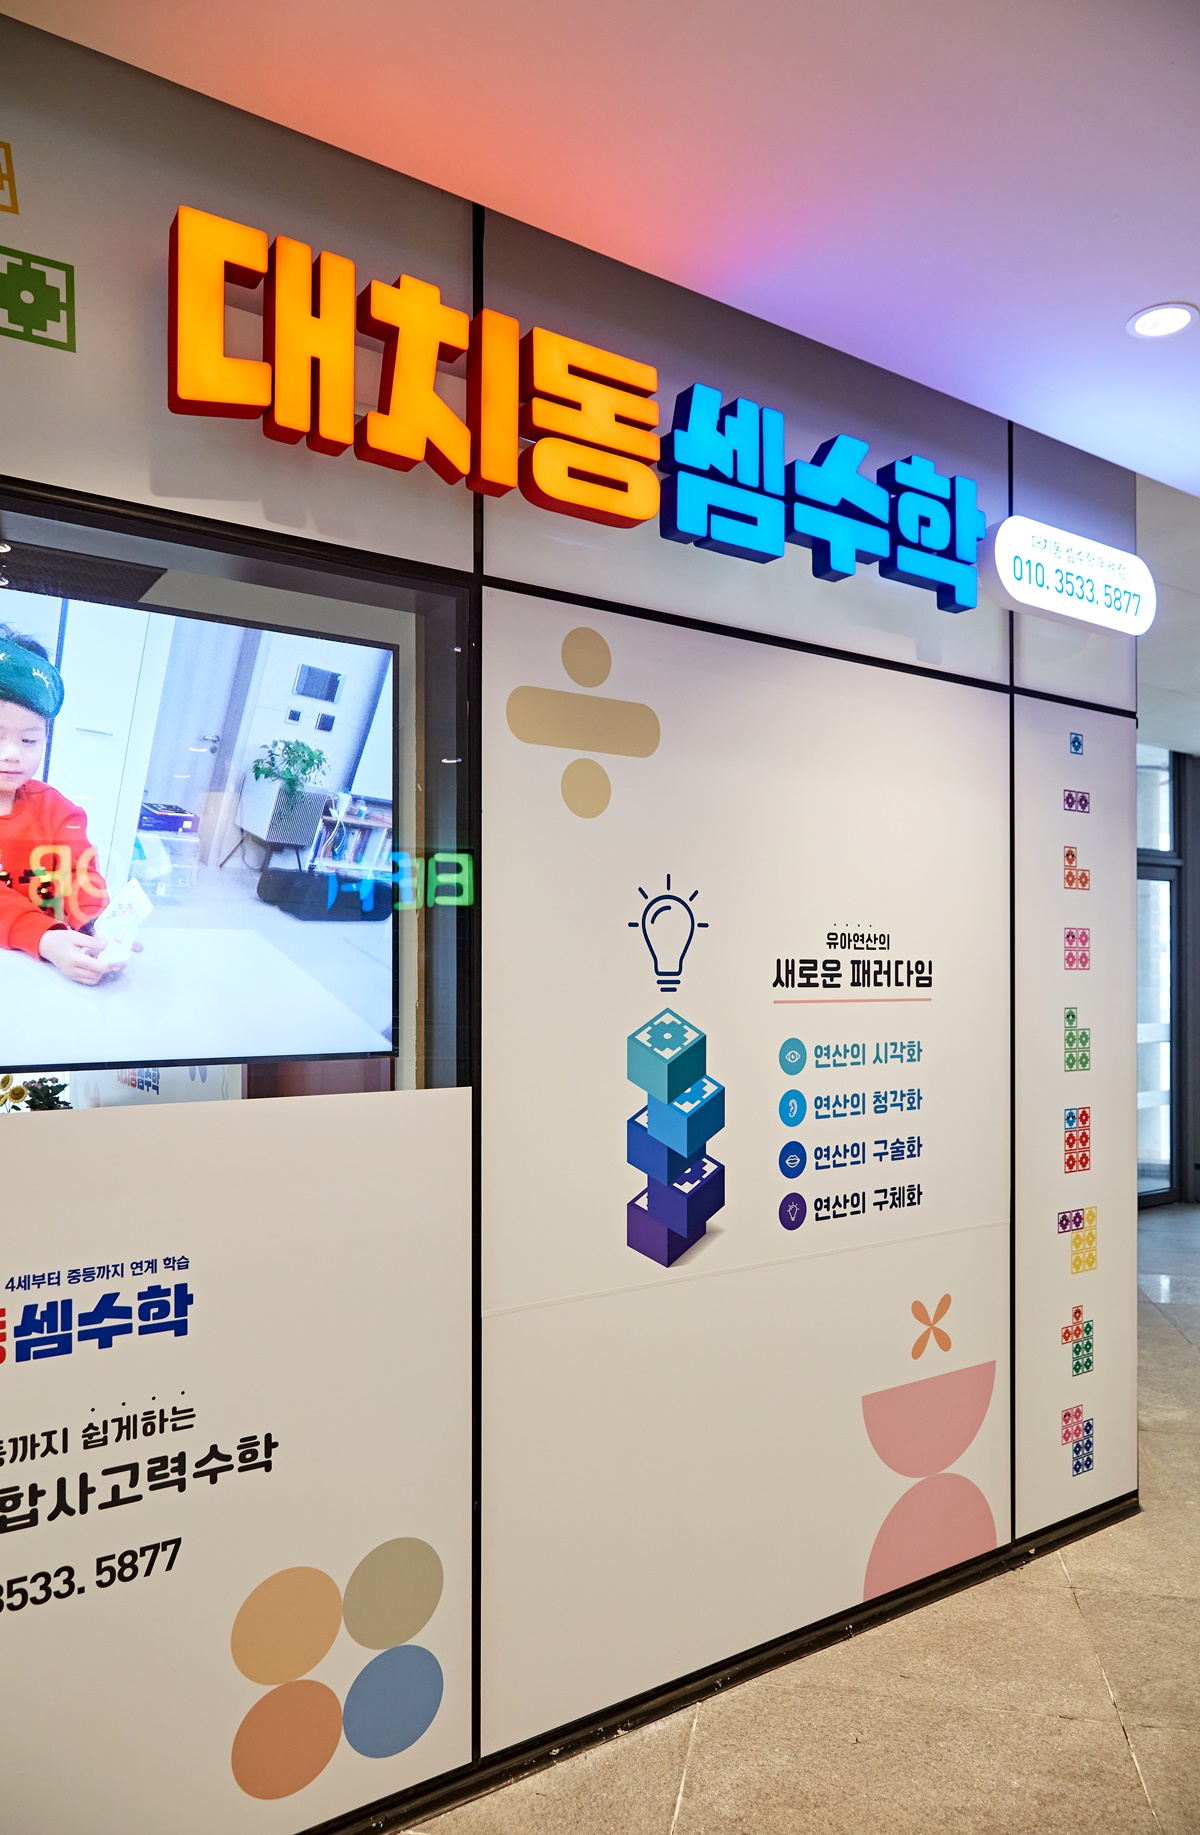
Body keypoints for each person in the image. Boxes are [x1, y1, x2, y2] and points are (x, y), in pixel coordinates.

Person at [0, 627, 117, 986]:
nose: (12, 754)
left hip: (48, 974)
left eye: (29, 740)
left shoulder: (57, 811)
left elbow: (81, 874)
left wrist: (97, 926)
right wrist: (45, 937)